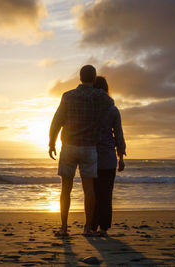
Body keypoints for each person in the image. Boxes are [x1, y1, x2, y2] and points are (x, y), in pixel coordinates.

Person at [49, 65, 114, 237]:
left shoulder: (68, 96)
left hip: (69, 146)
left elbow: (57, 121)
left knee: (65, 189)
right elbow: (110, 103)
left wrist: (51, 142)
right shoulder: (99, 97)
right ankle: (87, 228)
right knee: (89, 190)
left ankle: (64, 228)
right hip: (89, 147)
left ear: (79, 78)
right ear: (94, 79)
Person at [91, 76, 126, 237]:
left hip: (92, 156)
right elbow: (118, 135)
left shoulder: (89, 108)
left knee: (93, 193)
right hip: (109, 157)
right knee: (106, 193)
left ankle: (92, 226)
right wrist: (121, 157)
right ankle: (103, 229)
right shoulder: (113, 109)